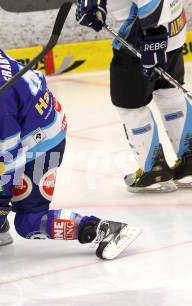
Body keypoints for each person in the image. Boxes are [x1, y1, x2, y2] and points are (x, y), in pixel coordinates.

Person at [0, 30, 142, 259]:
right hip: (21, 126)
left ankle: (105, 229)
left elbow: (5, 158)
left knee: (28, 222)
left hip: (40, 146)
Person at [76, 0, 192, 192]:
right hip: (173, 28)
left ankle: (153, 170)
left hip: (146, 34)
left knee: (129, 104)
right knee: (170, 92)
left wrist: (155, 39)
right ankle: (190, 162)